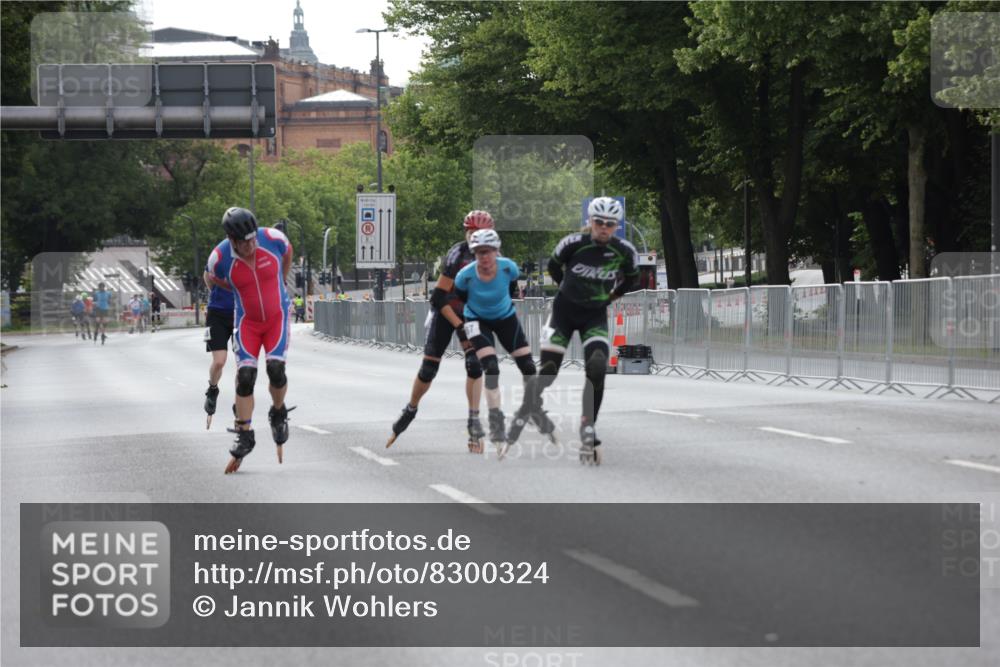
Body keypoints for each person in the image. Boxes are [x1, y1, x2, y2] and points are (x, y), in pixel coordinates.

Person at [507, 196, 639, 465]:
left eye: (610, 224)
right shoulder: (573, 244)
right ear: (590, 221)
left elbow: (632, 279)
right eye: (599, 222)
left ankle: (588, 425)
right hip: (563, 314)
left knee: (598, 366)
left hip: (594, 316)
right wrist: (567, 289)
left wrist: (610, 297)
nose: (604, 228)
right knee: (549, 372)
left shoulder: (624, 251)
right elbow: (554, 267)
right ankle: (531, 404)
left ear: (616, 226)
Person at [386, 210, 493, 452]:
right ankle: (411, 408)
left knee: (475, 365)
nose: (474, 237)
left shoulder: (495, 256)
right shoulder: (458, 254)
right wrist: (458, 325)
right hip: (446, 311)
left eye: (479, 233)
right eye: (470, 232)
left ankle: (474, 424)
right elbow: (438, 298)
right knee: (428, 369)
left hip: (473, 314)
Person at [205, 207, 295, 474]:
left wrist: (279, 284)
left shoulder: (275, 239)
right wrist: (237, 288)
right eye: (244, 242)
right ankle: (245, 433)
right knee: (245, 376)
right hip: (248, 323)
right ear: (232, 240)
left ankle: (278, 413)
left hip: (277, 317)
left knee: (276, 370)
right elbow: (214, 280)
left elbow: (287, 257)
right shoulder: (219, 258)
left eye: (253, 239)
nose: (251, 245)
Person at [454, 228, 553, 458]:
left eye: (487, 252)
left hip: (505, 317)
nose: (484, 258)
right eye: (478, 253)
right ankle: (496, 421)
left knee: (528, 366)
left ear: (496, 251)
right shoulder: (465, 276)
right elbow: (461, 297)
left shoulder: (509, 268)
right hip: (477, 319)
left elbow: (510, 290)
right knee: (491, 367)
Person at [202, 280, 236, 429]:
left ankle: (241, 400)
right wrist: (219, 293)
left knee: (244, 363)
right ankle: (213, 388)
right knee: (219, 362)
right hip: (217, 314)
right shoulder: (218, 256)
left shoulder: (249, 257)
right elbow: (207, 277)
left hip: (241, 314)